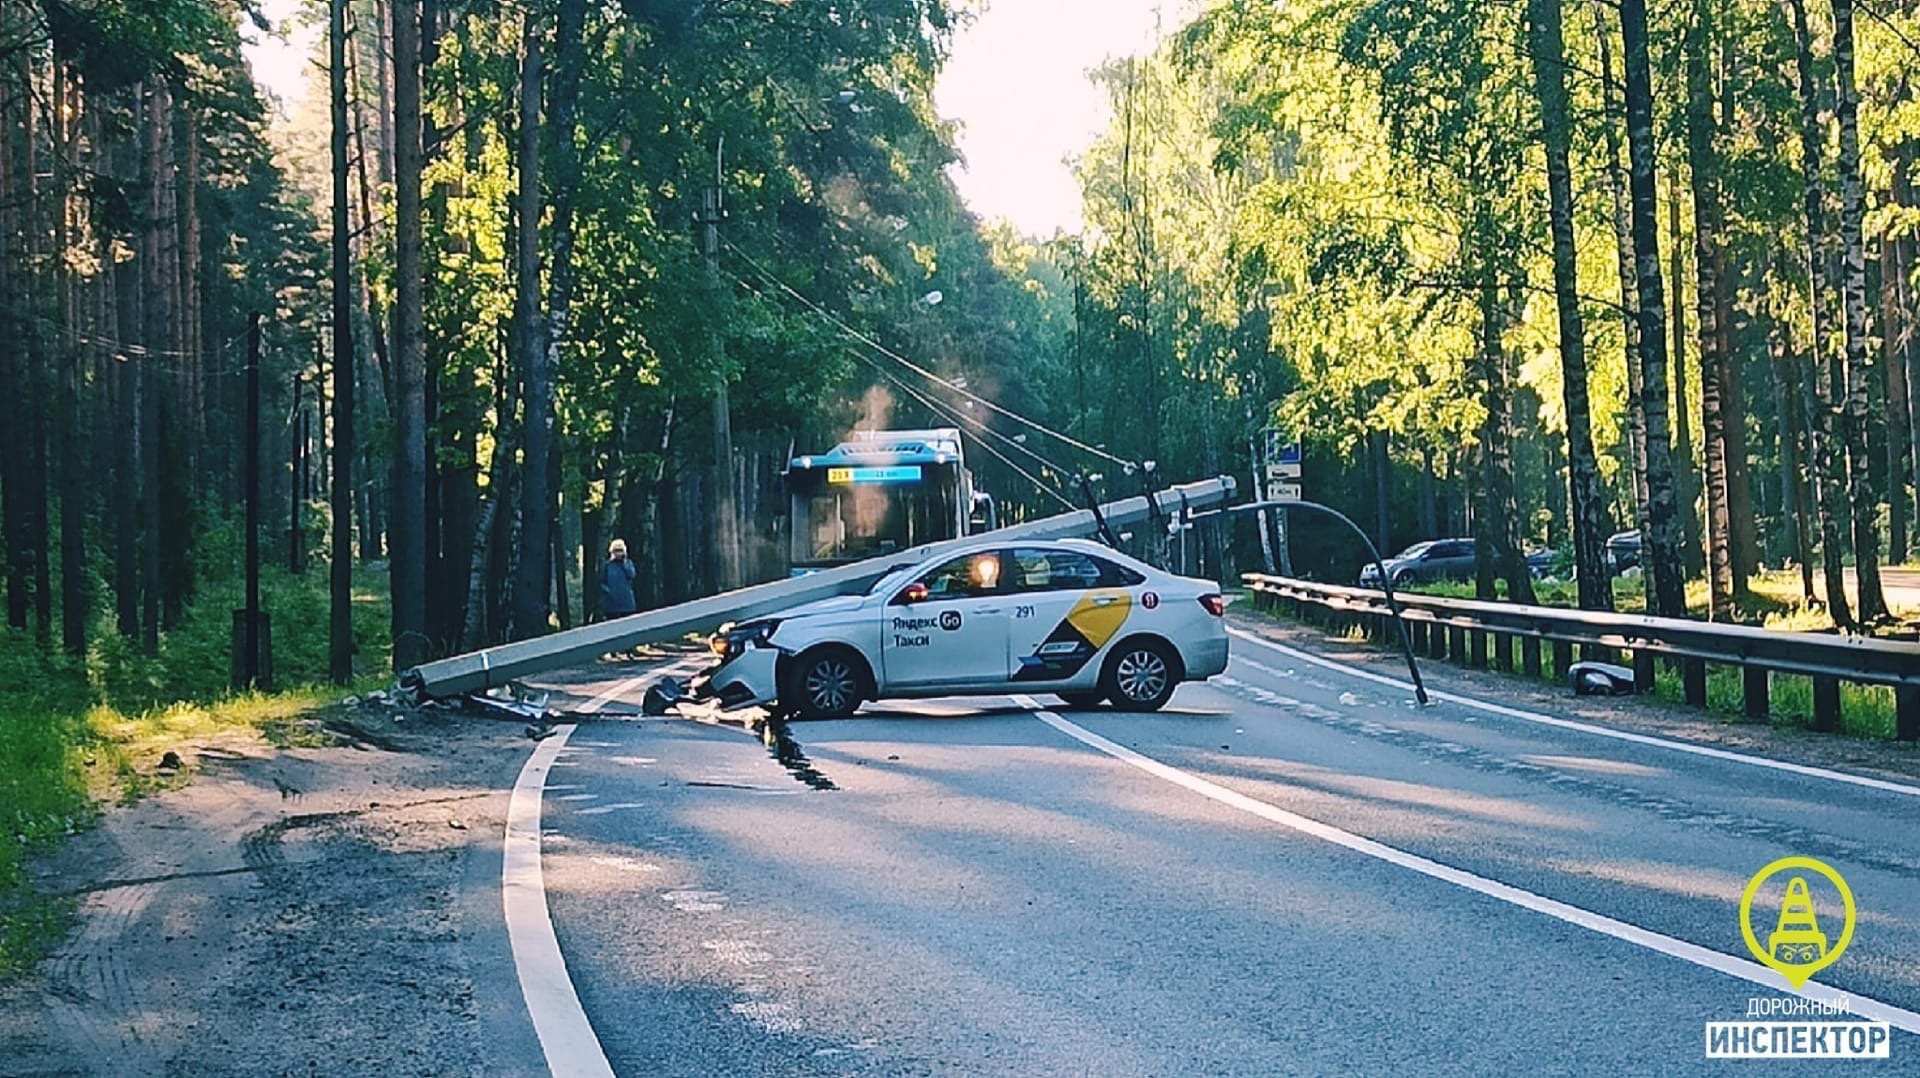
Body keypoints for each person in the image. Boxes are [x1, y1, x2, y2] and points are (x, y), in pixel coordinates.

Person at [598, 539, 638, 620]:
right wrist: (608, 591)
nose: (618, 553)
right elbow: (601, 582)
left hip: (627, 602)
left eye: (620, 551)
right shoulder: (607, 565)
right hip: (611, 604)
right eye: (616, 551)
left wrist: (624, 563)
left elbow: (632, 575)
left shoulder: (628, 563)